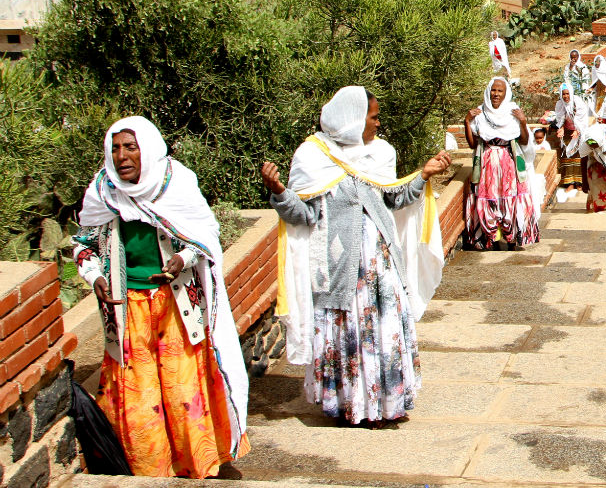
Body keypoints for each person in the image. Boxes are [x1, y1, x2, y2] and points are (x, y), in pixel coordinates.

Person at [263, 87, 451, 427]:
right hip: (337, 268)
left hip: (380, 265)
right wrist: (279, 192)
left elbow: (392, 200)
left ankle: (386, 403)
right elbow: (304, 216)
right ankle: (352, 406)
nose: (378, 124)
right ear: (351, 119)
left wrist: (423, 174)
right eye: (373, 117)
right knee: (347, 332)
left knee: (383, 330)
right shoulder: (312, 156)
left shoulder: (379, 153)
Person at [74, 117, 249, 476]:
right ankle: (151, 471)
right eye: (116, 148)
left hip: (176, 306)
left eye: (130, 147)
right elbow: (83, 245)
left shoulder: (176, 184)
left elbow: (202, 240)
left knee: (183, 389)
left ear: (147, 149)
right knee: (140, 397)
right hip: (127, 310)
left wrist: (181, 259)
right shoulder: (103, 193)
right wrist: (94, 277)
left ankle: (197, 464)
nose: (122, 156)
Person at [463, 76, 540, 250]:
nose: (496, 94)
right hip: (487, 164)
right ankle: (494, 240)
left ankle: (512, 240)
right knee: (491, 200)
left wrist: (523, 122)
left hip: (508, 163)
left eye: (500, 91)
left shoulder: (512, 112)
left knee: (509, 200)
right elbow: (473, 144)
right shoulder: (480, 114)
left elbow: (524, 140)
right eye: (493, 90)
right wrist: (467, 121)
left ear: (506, 94)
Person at [553, 83, 591, 187]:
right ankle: (569, 182)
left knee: (578, 155)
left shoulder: (578, 102)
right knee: (567, 155)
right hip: (567, 133)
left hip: (578, 132)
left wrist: (578, 131)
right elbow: (560, 118)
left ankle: (579, 182)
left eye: (567, 94)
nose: (565, 96)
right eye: (563, 94)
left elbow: (582, 119)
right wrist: (561, 128)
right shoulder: (560, 104)